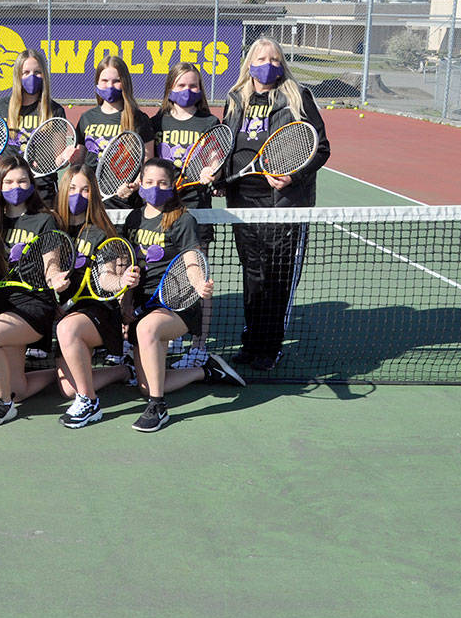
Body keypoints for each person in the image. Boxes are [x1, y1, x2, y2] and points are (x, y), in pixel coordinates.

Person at [220, 38, 330, 372]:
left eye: (275, 59)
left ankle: (270, 346)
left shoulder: (298, 97)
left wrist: (292, 177)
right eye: (262, 58)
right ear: (249, 62)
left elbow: (320, 148)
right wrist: (220, 177)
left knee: (278, 276)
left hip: (283, 203)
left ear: (282, 64)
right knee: (253, 275)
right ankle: (251, 341)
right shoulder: (236, 99)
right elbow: (227, 143)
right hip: (244, 202)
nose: (269, 64)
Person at [122, 159, 243, 433]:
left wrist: (199, 283)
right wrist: (126, 304)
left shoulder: (182, 218)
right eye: (149, 182)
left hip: (176, 305)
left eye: (162, 183)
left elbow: (191, 257)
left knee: (148, 329)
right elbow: (131, 265)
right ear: (140, 184)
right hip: (144, 305)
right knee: (147, 383)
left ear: (172, 185)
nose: (155, 188)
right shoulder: (133, 219)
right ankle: (207, 370)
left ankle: (157, 407)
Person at [0, 155, 70, 426]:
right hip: (2, 305)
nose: (16, 186)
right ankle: (60, 372)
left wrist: (55, 279)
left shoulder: (45, 220)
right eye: (9, 181)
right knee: (19, 389)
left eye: (22, 180)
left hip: (34, 305)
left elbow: (52, 264)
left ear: (31, 183)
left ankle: (2, 404)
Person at [150, 62, 221, 370]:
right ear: (169, 90)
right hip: (165, 212)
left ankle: (199, 344)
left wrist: (211, 172)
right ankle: (174, 330)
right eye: (180, 86)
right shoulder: (158, 122)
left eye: (193, 86)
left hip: (196, 211)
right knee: (169, 274)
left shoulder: (210, 122)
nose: (187, 91)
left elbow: (215, 161)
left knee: (198, 278)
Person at [53, 164, 130, 428]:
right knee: (67, 389)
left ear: (94, 193)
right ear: (63, 190)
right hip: (66, 310)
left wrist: (121, 281)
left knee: (66, 328)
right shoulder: (53, 228)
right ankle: (123, 370)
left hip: (98, 313)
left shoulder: (101, 233)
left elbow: (108, 278)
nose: (78, 194)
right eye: (72, 188)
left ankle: (89, 401)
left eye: (86, 189)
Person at [74, 54, 155, 209]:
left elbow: (147, 163)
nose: (109, 86)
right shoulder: (87, 118)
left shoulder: (139, 119)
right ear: (97, 83)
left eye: (116, 81)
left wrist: (134, 185)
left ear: (125, 83)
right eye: (104, 81)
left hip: (125, 204)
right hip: (92, 203)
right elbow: (79, 161)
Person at [0, 49, 68, 206]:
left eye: (37, 72)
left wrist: (66, 157)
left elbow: (59, 158)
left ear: (44, 76)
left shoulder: (55, 110)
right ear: (17, 76)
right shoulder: (2, 106)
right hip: (10, 188)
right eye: (25, 72)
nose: (31, 77)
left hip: (43, 189)